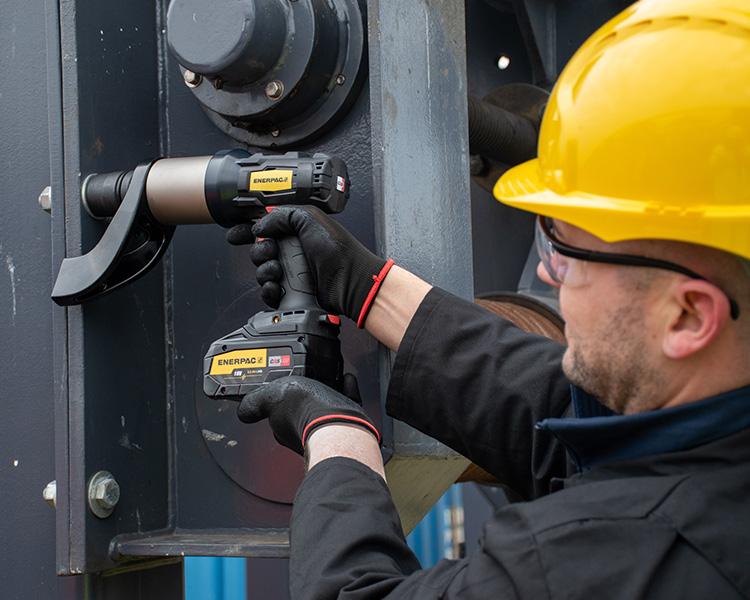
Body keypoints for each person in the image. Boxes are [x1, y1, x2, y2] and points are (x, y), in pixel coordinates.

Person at [228, 0, 750, 597]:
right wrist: (367, 287)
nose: (550, 277)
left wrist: (338, 439)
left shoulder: (612, 563)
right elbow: (574, 425)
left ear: (687, 315)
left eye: (565, 250)